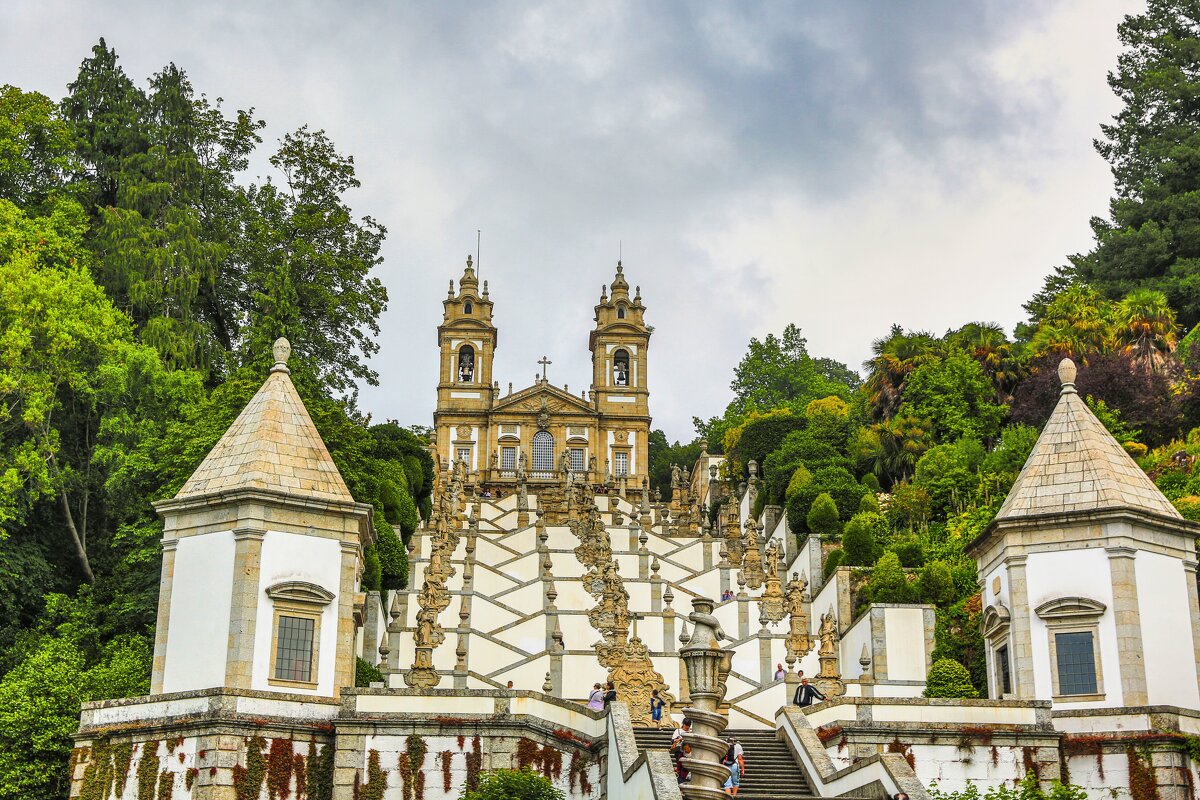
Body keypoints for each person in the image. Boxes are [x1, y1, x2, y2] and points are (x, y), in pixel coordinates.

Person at [672, 718, 692, 784]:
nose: (687, 727)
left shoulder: (691, 732)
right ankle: (681, 777)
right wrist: (677, 740)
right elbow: (672, 740)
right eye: (686, 725)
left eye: (688, 726)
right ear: (683, 724)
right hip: (679, 751)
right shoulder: (677, 731)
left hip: (689, 752)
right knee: (680, 764)